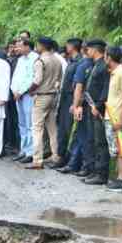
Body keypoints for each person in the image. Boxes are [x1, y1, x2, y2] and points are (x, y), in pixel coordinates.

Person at [25, 37, 63, 170]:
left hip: (41, 97)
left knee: (37, 129)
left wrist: (30, 91)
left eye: (37, 45)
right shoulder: (57, 60)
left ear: (41, 46)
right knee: (53, 128)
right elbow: (59, 79)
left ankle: (37, 160)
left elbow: (37, 80)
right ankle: (56, 156)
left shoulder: (40, 61)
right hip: (53, 96)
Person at [60, 43, 95, 176]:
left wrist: (76, 105)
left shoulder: (82, 65)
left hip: (83, 105)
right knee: (83, 136)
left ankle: (78, 165)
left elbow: (79, 88)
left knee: (80, 135)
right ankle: (79, 165)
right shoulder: (94, 64)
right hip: (90, 105)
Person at [103, 47, 122, 193]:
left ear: (109, 57)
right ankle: (120, 179)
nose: (104, 58)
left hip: (117, 118)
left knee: (120, 149)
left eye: (105, 55)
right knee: (116, 150)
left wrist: (120, 120)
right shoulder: (114, 73)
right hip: (111, 116)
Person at [81, 40, 110, 185]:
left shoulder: (104, 66)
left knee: (100, 141)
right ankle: (93, 170)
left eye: (89, 49)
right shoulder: (95, 65)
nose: (87, 51)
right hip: (90, 107)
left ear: (95, 50)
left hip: (98, 110)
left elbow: (105, 88)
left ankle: (101, 173)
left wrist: (98, 106)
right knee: (92, 139)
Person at [52, 39, 83, 170]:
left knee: (68, 129)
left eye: (68, 45)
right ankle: (60, 156)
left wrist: (75, 103)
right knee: (62, 127)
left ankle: (67, 159)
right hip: (65, 97)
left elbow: (78, 85)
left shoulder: (79, 62)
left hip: (71, 98)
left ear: (72, 47)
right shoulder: (71, 61)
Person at [10, 38, 38, 164]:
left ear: (27, 47)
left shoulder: (35, 58)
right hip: (18, 95)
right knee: (21, 124)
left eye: (20, 46)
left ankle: (31, 152)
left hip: (28, 95)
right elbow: (16, 77)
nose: (17, 49)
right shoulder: (20, 60)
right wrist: (14, 90)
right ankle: (24, 150)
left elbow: (31, 78)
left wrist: (20, 91)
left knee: (30, 124)